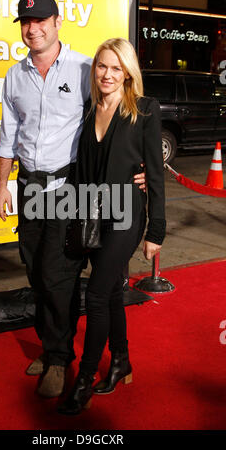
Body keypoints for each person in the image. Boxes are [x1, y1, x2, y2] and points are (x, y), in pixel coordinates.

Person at [0, 0, 146, 399]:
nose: (33, 29)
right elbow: (9, 134)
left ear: (58, 22)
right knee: (33, 270)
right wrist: (2, 184)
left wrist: (140, 166)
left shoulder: (85, 69)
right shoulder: (14, 75)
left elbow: (119, 113)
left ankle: (60, 359)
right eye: (26, 22)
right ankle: (50, 346)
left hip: (67, 188)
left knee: (57, 274)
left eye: (41, 20)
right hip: (28, 186)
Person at [58, 38, 166, 415]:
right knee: (114, 293)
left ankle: (83, 381)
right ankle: (121, 361)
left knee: (99, 295)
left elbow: (154, 176)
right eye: (102, 66)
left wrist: (156, 231)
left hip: (127, 217)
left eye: (116, 68)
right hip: (93, 216)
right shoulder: (89, 109)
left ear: (128, 73)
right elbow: (82, 170)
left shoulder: (145, 111)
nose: (107, 74)